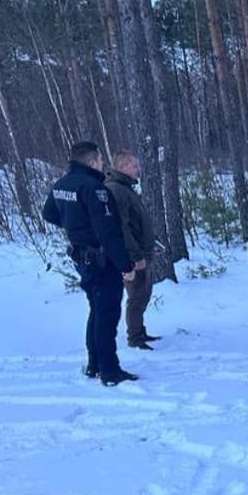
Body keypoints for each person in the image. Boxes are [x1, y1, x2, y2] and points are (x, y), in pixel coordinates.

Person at [42, 141, 139, 386]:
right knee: (107, 315)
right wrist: (125, 265)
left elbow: (49, 214)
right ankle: (109, 370)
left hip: (81, 257)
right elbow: (108, 232)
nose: (102, 164)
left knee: (96, 310)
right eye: (100, 159)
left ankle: (95, 364)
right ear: (92, 161)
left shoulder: (62, 185)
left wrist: (74, 225)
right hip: (101, 259)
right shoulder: (94, 189)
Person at [106, 150, 160, 350]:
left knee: (143, 294)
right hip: (134, 255)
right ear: (121, 167)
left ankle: (139, 331)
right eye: (134, 166)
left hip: (142, 251)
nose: (138, 169)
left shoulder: (126, 188)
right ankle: (135, 337)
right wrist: (135, 255)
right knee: (137, 296)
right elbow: (122, 227)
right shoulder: (116, 190)